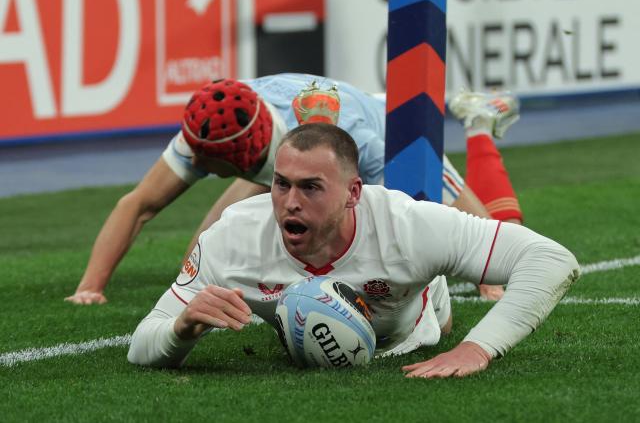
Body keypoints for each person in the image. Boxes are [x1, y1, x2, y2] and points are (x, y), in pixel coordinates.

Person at [127, 122, 580, 378]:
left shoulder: (409, 225)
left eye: (311, 187)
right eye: (281, 184)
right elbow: (141, 347)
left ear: (352, 193)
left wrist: (476, 348)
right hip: (329, 322)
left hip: (413, 324)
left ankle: (478, 130)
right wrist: (180, 331)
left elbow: (552, 260)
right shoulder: (231, 239)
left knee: (440, 319)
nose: (290, 201)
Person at [65, 73, 518, 305]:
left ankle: (477, 122)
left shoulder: (346, 135)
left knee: (476, 236)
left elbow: (412, 213)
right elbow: (138, 205)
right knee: (212, 243)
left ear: (238, 158)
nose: (196, 164)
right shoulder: (211, 126)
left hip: (385, 125)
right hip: (291, 144)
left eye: (205, 162)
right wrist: (91, 287)